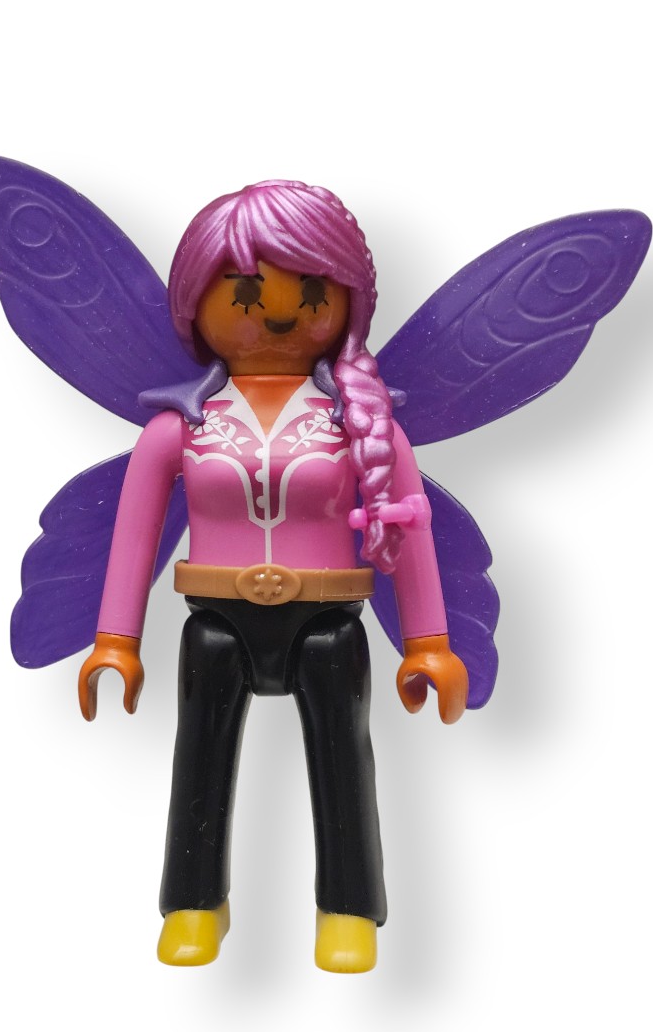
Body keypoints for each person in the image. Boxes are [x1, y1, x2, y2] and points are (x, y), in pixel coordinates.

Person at [76, 181, 467, 973]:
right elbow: (134, 534)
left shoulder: (362, 425)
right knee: (200, 756)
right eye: (248, 295)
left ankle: (348, 909)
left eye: (312, 292)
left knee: (343, 757)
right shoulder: (181, 427)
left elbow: (412, 528)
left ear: (346, 302)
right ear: (198, 303)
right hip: (216, 618)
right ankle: (194, 902)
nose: (279, 314)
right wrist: (114, 638)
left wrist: (429, 642)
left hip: (327, 621)